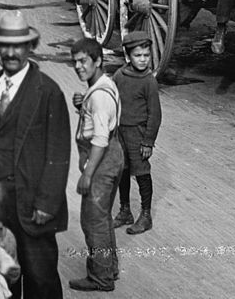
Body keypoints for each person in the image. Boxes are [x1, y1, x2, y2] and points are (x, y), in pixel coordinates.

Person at [0, 11, 71, 299]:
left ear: (30, 47)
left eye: (18, 46)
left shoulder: (48, 92)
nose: (11, 53)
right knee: (1, 275)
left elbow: (58, 152)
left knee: (40, 279)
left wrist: (47, 203)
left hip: (32, 203)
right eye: (5, 46)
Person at [68, 37, 121, 293]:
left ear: (98, 60)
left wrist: (87, 174)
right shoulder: (103, 84)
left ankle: (100, 277)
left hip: (102, 159)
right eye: (75, 61)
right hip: (112, 155)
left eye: (83, 61)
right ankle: (109, 268)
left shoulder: (99, 96)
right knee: (102, 219)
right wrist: (83, 105)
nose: (78, 66)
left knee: (93, 221)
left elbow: (100, 138)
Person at [111, 33, 161, 236]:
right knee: (122, 171)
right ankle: (125, 211)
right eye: (138, 55)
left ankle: (146, 215)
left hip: (138, 135)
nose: (143, 59)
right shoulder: (119, 76)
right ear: (127, 55)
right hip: (119, 133)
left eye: (146, 55)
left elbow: (155, 114)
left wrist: (148, 141)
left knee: (141, 173)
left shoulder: (149, 81)